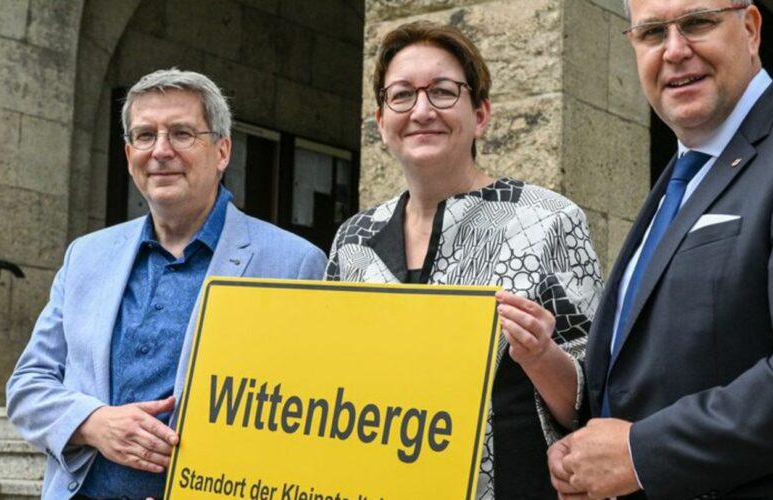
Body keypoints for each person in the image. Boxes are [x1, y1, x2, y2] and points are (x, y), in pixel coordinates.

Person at [6, 69, 327, 499]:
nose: (160, 151)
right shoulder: (86, 256)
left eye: (181, 133)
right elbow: (28, 386)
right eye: (145, 135)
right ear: (128, 153)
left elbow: (311, 419)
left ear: (222, 151)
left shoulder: (292, 262)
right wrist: (93, 424)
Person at [324, 21, 603, 499]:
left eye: (443, 91)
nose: (422, 110)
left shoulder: (549, 220)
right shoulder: (355, 239)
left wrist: (540, 356)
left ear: (481, 114)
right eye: (402, 95)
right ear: (380, 121)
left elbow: (595, 398)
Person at [548, 1, 773, 498]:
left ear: (751, 29)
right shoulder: (683, 173)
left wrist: (641, 453)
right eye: (652, 33)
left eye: (697, 23)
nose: (674, 50)